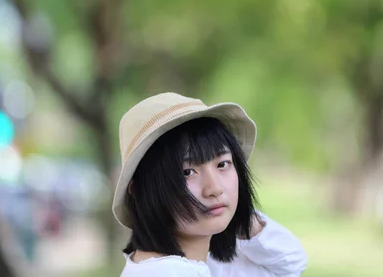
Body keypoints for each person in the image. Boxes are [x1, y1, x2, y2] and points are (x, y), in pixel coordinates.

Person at [114, 92, 308, 276]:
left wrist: (243, 220)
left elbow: (289, 265)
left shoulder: (202, 264)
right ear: (139, 190)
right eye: (187, 172)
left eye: (222, 164)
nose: (214, 188)